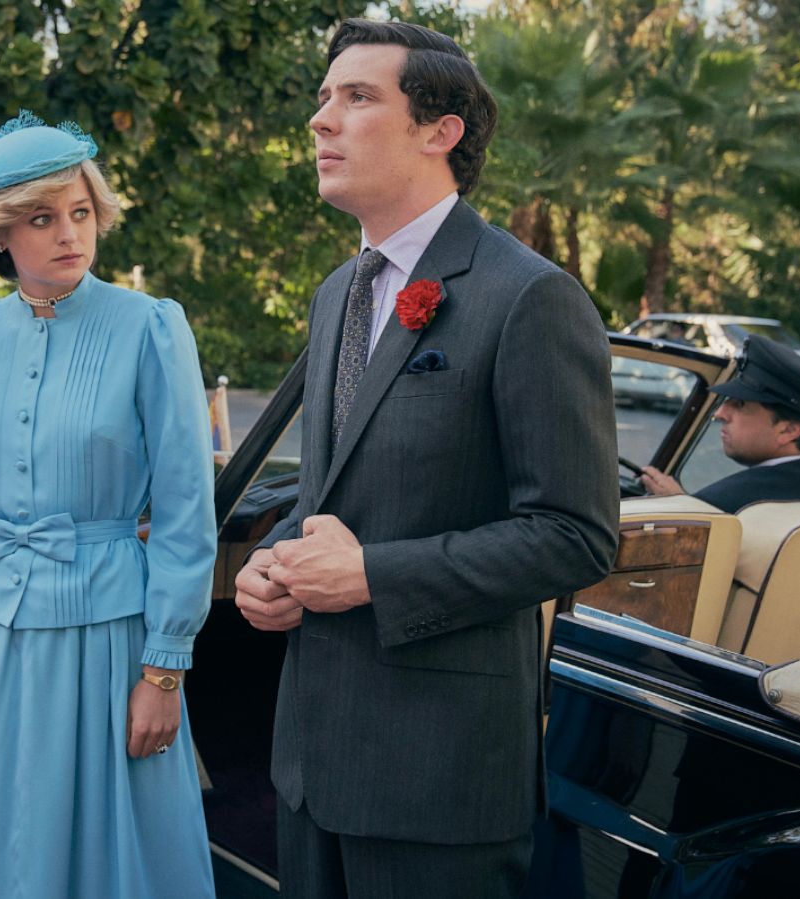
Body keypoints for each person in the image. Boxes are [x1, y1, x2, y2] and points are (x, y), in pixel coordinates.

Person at [234, 19, 619, 899]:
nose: (321, 120)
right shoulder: (341, 292)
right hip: (308, 764)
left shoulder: (532, 297)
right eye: (323, 98)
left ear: (440, 131)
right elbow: (336, 493)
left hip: (437, 778)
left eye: (358, 97)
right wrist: (274, 562)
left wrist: (371, 574)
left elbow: (575, 536)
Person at [0, 112, 218, 898]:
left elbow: (186, 509)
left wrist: (165, 668)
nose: (69, 234)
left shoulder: (151, 327)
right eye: (42, 218)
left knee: (111, 859)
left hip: (107, 644)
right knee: (1, 846)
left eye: (81, 213)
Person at [640, 335, 800, 513]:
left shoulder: (733, 502)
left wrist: (680, 508)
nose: (719, 413)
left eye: (739, 405)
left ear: (789, 429)